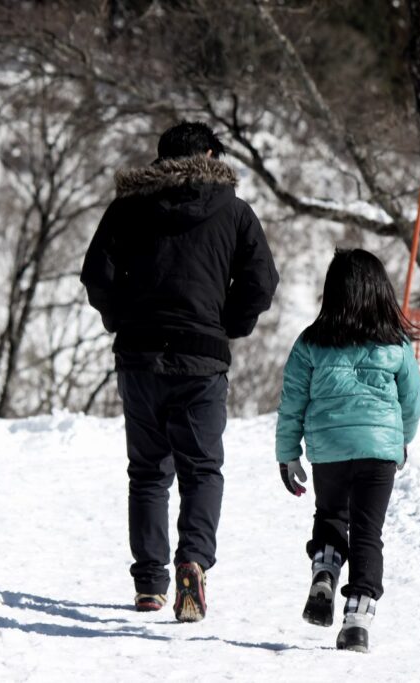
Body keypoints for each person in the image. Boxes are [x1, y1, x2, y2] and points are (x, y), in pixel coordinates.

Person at [81, 121, 279, 622]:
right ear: (210, 155)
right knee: (201, 469)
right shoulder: (234, 212)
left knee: (148, 472)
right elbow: (261, 282)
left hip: (140, 358)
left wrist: (123, 320)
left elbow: (97, 275)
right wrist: (226, 325)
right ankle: (193, 559)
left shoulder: (127, 208)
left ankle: (150, 584)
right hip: (201, 359)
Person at [274, 248, 420, 653]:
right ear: (380, 291)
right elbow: (412, 401)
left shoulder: (311, 342)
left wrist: (288, 454)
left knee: (330, 516)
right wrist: (401, 441)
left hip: (330, 450)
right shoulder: (396, 344)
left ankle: (325, 570)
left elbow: (292, 403)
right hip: (379, 452)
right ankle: (357, 622)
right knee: (367, 532)